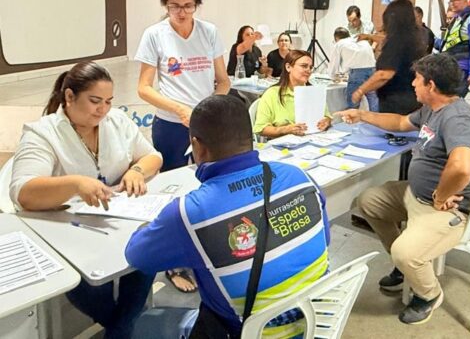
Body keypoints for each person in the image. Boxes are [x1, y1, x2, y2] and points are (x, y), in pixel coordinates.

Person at [126, 95, 330, 338]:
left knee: (145, 324)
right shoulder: (298, 176)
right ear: (250, 136)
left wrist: (147, 226)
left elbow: (137, 257)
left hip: (249, 332)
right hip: (318, 321)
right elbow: (325, 239)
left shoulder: (189, 212)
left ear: (197, 146)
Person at [10, 61, 162, 339]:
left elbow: (153, 156)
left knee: (147, 255)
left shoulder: (116, 121)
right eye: (95, 101)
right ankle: (121, 328)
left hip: (120, 222)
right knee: (91, 287)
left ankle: (120, 329)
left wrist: (137, 171)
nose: (102, 109)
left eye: (108, 101)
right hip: (69, 235)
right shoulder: (42, 132)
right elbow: (24, 191)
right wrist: (75, 184)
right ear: (69, 96)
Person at [336, 54, 470, 326]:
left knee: (406, 252)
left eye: (417, 80)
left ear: (431, 85)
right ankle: (404, 267)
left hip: (454, 208)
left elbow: (462, 167)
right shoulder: (432, 108)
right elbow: (400, 123)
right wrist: (362, 115)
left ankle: (428, 294)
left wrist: (441, 196)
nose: (413, 84)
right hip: (419, 195)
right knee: (369, 201)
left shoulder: (457, 118)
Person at [135, 0, 230, 292]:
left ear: (197, 5)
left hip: (205, 123)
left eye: (188, 6)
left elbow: (223, 80)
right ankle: (174, 262)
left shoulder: (209, 32)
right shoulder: (155, 35)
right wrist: (179, 109)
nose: (182, 12)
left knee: (209, 186)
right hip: (171, 125)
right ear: (165, 5)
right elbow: (144, 87)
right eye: (174, 6)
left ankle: (206, 249)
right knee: (172, 194)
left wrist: (209, 107)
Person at [351, 0, 425, 114]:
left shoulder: (397, 42)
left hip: (396, 101)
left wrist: (360, 90)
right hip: (411, 98)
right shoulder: (413, 38)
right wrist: (369, 36)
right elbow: (384, 39)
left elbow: (384, 74)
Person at [253, 50, 332, 138]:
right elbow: (260, 128)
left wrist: (327, 121)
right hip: (284, 143)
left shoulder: (314, 92)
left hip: (314, 139)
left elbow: (327, 116)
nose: (308, 70)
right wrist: (285, 129)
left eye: (310, 67)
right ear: (288, 67)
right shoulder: (272, 94)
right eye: (304, 66)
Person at [436, 0, 470, 95]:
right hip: (450, 66)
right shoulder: (456, 19)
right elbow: (449, 43)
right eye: (450, 1)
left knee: (455, 99)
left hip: (462, 68)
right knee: (447, 99)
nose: (452, 3)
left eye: (456, 0)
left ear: (466, 1)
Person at [328, 27, 378, 111]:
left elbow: (334, 62)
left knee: (353, 100)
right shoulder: (362, 40)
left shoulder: (340, 43)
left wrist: (332, 77)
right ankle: (376, 117)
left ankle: (352, 117)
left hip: (357, 72)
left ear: (336, 38)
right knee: (373, 98)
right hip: (373, 70)